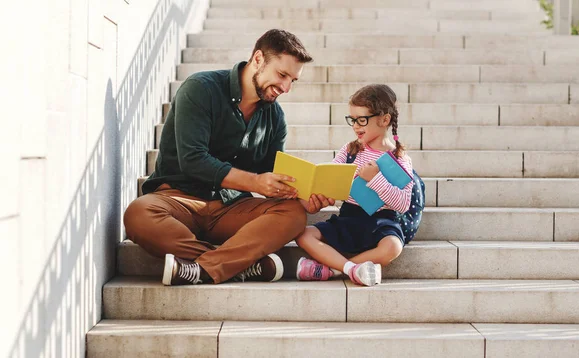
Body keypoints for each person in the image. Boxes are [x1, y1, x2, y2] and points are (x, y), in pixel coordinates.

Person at [123, 29, 335, 286]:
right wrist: (255, 183)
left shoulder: (275, 117)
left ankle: (202, 269)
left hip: (231, 209)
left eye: (293, 80)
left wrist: (304, 197)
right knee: (138, 213)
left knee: (293, 214)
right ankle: (245, 266)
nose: (286, 88)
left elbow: (272, 175)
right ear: (258, 59)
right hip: (179, 200)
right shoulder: (201, 89)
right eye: (282, 75)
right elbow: (193, 160)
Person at [295, 84, 423, 286]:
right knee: (303, 234)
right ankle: (351, 269)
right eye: (352, 120)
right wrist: (321, 189)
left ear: (384, 119)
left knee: (393, 247)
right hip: (349, 217)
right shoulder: (350, 150)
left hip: (381, 222)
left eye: (361, 120)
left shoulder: (399, 159)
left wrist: (375, 178)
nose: (355, 125)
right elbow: (332, 177)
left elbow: (402, 204)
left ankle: (333, 271)